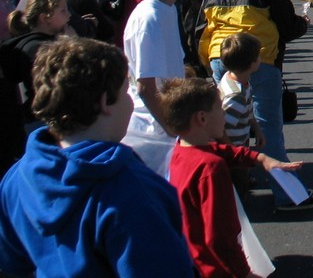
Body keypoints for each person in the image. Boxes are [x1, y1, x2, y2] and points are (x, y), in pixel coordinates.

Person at [0, 38, 194, 276]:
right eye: (126, 91)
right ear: (105, 102)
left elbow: (14, 267)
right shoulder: (132, 191)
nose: (131, 102)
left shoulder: (14, 181)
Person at [197, 0, 313, 211]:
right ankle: (288, 195)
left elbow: (199, 27)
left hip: (220, 59)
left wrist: (208, 59)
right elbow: (287, 28)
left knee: (232, 128)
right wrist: (302, 23)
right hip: (258, 59)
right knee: (268, 129)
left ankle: (229, 193)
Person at [163, 77, 304, 277]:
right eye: (219, 108)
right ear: (202, 118)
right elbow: (219, 237)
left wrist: (260, 158)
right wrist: (243, 273)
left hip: (194, 262)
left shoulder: (180, 152)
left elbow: (219, 149)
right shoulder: (211, 168)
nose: (223, 114)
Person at [122, 0, 195, 176]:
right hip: (152, 133)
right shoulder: (149, 17)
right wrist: (171, 128)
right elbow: (145, 86)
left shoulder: (166, 8)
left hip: (165, 126)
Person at [0, 0, 71, 170]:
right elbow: (55, 92)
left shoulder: (26, 44)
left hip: (31, 125)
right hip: (45, 126)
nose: (68, 15)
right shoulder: (40, 49)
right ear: (44, 17)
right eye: (62, 10)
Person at [217, 32, 265, 197]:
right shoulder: (235, 96)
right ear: (252, 63)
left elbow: (249, 109)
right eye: (258, 56)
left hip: (241, 143)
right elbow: (220, 128)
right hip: (233, 152)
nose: (261, 58)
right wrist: (234, 154)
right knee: (237, 191)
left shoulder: (238, 80)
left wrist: (256, 129)